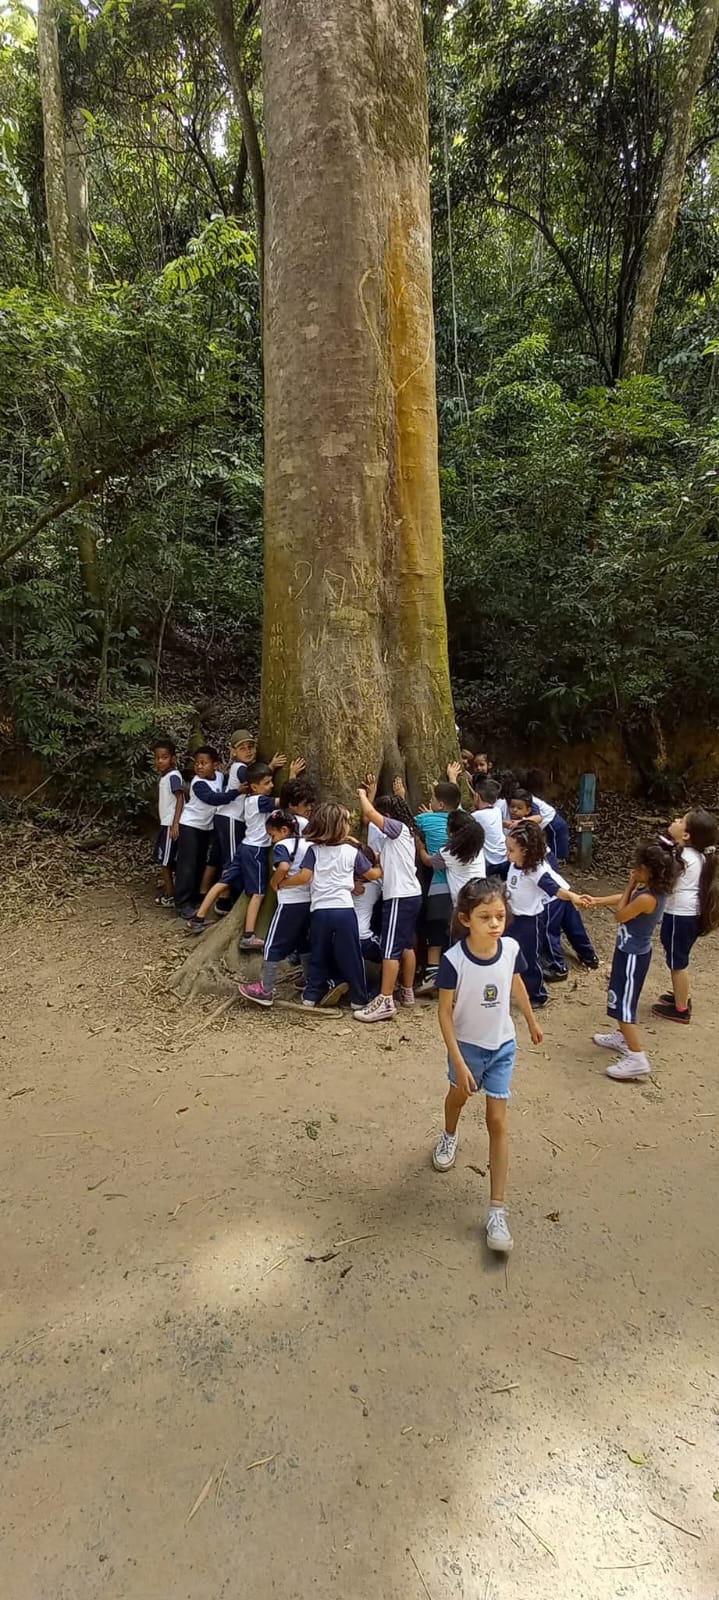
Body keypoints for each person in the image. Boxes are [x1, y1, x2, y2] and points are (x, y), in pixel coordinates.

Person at [433, 878, 543, 1256]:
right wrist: (459, 1061)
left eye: (500, 915)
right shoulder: (453, 961)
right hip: (466, 1049)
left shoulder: (511, 948)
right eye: (485, 917)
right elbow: (444, 1014)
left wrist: (530, 1021)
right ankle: (449, 1134)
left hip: (502, 1048)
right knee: (457, 1098)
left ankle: (497, 1210)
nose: (495, 923)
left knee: (498, 1122)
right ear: (466, 919)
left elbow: (516, 986)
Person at [587, 842, 679, 1080]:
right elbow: (625, 899)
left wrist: (630, 884)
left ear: (649, 870)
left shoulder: (648, 898)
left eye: (638, 867)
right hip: (630, 952)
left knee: (623, 1006)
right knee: (623, 999)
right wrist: (597, 901)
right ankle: (622, 1037)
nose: (634, 870)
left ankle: (637, 1058)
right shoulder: (650, 891)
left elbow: (621, 914)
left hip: (632, 957)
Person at [500, 822, 592, 1006]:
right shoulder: (515, 864)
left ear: (525, 851)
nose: (506, 852)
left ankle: (537, 995)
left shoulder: (536, 871)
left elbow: (555, 889)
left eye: (510, 849)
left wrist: (572, 896)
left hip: (529, 922)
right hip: (512, 918)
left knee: (529, 958)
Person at [355, 776, 423, 1022]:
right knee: (404, 945)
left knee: (390, 949)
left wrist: (363, 796)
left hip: (399, 896)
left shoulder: (398, 830)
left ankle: (385, 1000)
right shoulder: (401, 835)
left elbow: (371, 816)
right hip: (411, 894)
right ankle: (407, 991)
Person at [295, 802, 375, 1010]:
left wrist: (282, 882)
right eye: (347, 821)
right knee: (351, 955)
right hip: (344, 911)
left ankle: (311, 995)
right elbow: (371, 875)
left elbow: (305, 876)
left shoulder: (314, 851)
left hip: (320, 911)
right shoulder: (351, 851)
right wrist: (382, 864)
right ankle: (359, 998)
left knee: (318, 953)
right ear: (341, 826)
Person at [238, 810, 313, 1007]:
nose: (272, 840)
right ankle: (309, 981)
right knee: (303, 942)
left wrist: (275, 882)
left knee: (271, 944)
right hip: (309, 902)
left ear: (284, 830)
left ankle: (266, 989)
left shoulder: (282, 846)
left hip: (289, 903)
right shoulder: (309, 845)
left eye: (272, 835)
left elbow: (284, 867)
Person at [652, 809, 719, 1024]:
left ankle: (681, 1008)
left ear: (687, 835)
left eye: (681, 820)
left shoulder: (683, 857)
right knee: (677, 957)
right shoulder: (695, 855)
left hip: (679, 916)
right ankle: (680, 996)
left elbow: (665, 881)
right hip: (688, 915)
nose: (675, 820)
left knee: (677, 962)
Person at [173, 747, 234, 918]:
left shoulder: (220, 777)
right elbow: (213, 798)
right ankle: (182, 903)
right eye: (197, 763)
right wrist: (236, 793)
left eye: (203, 763)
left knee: (199, 863)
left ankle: (193, 899)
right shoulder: (198, 783)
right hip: (190, 826)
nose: (199, 767)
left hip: (206, 828)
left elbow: (232, 780)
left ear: (215, 765)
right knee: (187, 865)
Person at [414, 778, 461, 992]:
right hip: (463, 891)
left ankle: (432, 973)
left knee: (434, 930)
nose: (430, 801)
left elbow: (427, 860)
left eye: (433, 799)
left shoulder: (425, 820)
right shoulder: (467, 822)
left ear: (440, 804)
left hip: (439, 886)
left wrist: (420, 845)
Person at [212, 730, 257, 911]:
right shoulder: (239, 768)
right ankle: (222, 900)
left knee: (231, 858)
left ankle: (226, 896)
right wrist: (271, 766)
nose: (248, 751)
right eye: (242, 748)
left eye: (250, 747)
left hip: (234, 819)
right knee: (231, 861)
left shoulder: (243, 767)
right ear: (233, 751)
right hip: (230, 818)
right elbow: (257, 782)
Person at [417, 808, 486, 905]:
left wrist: (421, 848)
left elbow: (428, 862)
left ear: (452, 833)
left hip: (463, 898)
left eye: (447, 826)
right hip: (481, 893)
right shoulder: (478, 846)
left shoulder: (449, 852)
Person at [153, 739, 184, 905]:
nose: (160, 761)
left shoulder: (173, 776)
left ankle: (170, 893)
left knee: (166, 861)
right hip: (166, 823)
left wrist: (175, 823)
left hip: (170, 825)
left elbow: (180, 797)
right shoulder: (166, 777)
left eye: (164, 757)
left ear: (172, 758)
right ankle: (171, 891)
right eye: (157, 758)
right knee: (166, 859)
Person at [470, 776, 507, 875]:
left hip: (491, 862)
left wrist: (453, 779)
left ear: (477, 796)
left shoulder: (476, 816)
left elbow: (459, 814)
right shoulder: (497, 810)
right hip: (505, 857)